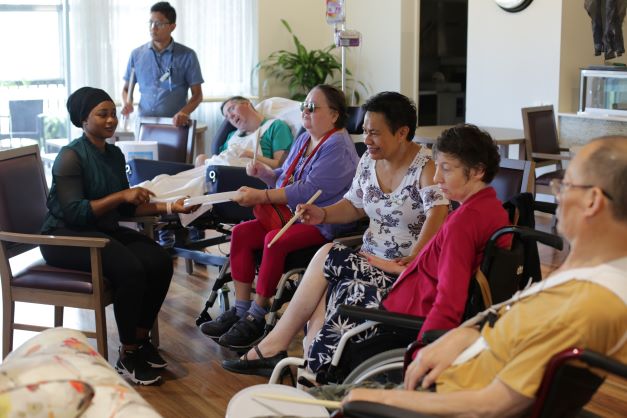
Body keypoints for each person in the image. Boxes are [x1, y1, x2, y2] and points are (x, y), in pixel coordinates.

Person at [336, 137, 627, 417]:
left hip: (437, 400)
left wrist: (379, 397)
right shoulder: (586, 273)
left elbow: (490, 406)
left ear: (592, 201)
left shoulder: (587, 303)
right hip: (448, 373)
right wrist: (470, 333)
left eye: (565, 185)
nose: (559, 195)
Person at [222, 124, 511, 377]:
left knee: (338, 273)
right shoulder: (492, 209)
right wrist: (391, 264)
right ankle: (306, 363)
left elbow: (449, 301)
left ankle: (304, 364)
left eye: (446, 169)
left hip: (413, 305)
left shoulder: (462, 222)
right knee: (334, 264)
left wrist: (423, 353)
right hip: (413, 281)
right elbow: (440, 267)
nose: (437, 178)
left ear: (477, 172)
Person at [39, 87, 197, 386]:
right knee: (130, 268)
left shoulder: (113, 153)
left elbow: (125, 207)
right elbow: (75, 213)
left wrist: (170, 206)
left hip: (99, 230)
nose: (111, 119)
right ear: (83, 119)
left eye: (113, 113)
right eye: (103, 114)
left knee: (160, 260)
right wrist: (121, 194)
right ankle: (127, 355)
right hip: (64, 237)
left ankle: (139, 339)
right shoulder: (70, 157)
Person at [199, 84, 360, 348]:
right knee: (241, 233)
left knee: (274, 240)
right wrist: (264, 174)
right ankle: (241, 309)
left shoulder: (338, 147)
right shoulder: (306, 137)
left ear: (334, 115)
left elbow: (308, 190)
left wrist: (261, 196)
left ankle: (258, 315)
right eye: (304, 107)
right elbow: (285, 174)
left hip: (323, 220)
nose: (305, 112)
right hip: (291, 214)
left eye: (312, 107)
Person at [139, 96, 294, 246]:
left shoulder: (276, 126)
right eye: (227, 115)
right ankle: (142, 195)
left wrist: (250, 155)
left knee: (194, 184)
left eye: (232, 108)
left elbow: (279, 167)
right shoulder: (232, 136)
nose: (231, 116)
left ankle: (150, 202)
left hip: (239, 177)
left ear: (247, 103)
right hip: (214, 171)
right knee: (166, 180)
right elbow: (220, 160)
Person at [121, 1, 203, 128]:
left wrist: (184, 112)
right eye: (151, 23)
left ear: (172, 26)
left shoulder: (187, 55)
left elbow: (197, 95)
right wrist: (127, 102)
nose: (153, 28)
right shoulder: (136, 54)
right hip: (144, 124)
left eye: (159, 23)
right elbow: (126, 89)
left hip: (175, 125)